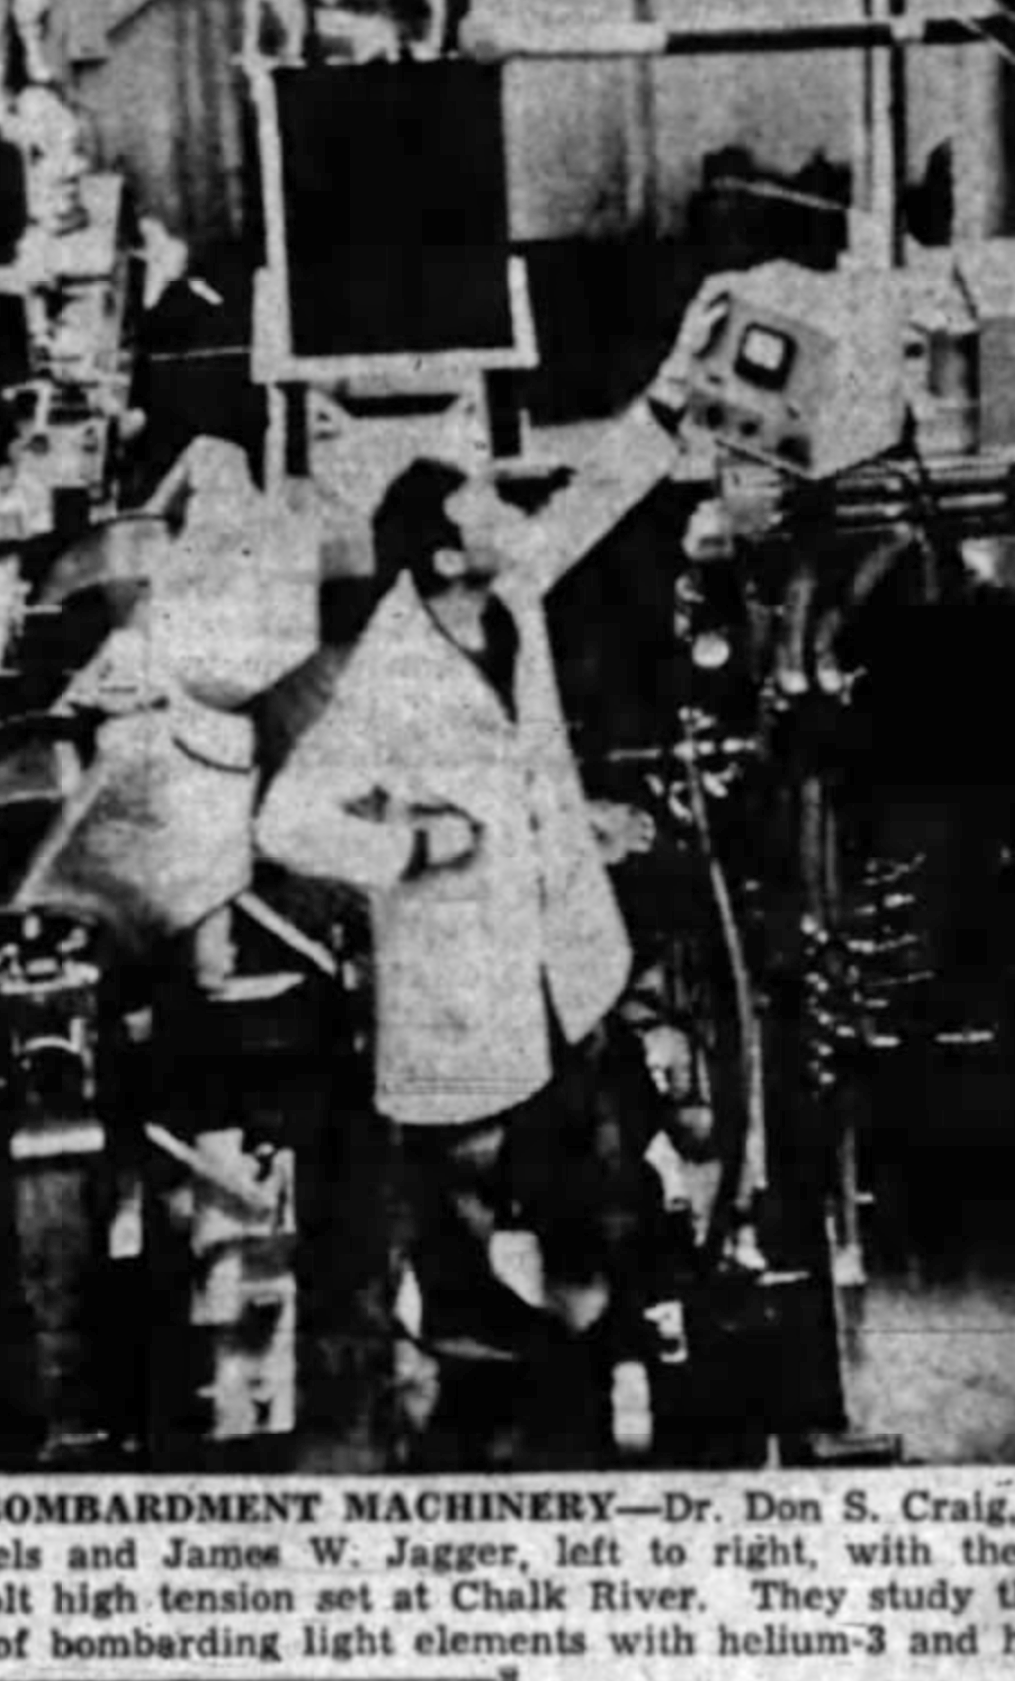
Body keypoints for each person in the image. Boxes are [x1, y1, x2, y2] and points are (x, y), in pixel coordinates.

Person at [255, 281, 732, 1399]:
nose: (506, 513)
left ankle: (585, 1300)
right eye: (481, 509)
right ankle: (471, 1332)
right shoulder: (392, 675)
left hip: (550, 938)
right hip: (460, 967)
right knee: (462, 1164)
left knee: (573, 1116)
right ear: (441, 562)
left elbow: (594, 496)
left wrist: (677, 378)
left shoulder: (506, 598)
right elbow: (284, 819)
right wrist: (410, 849)